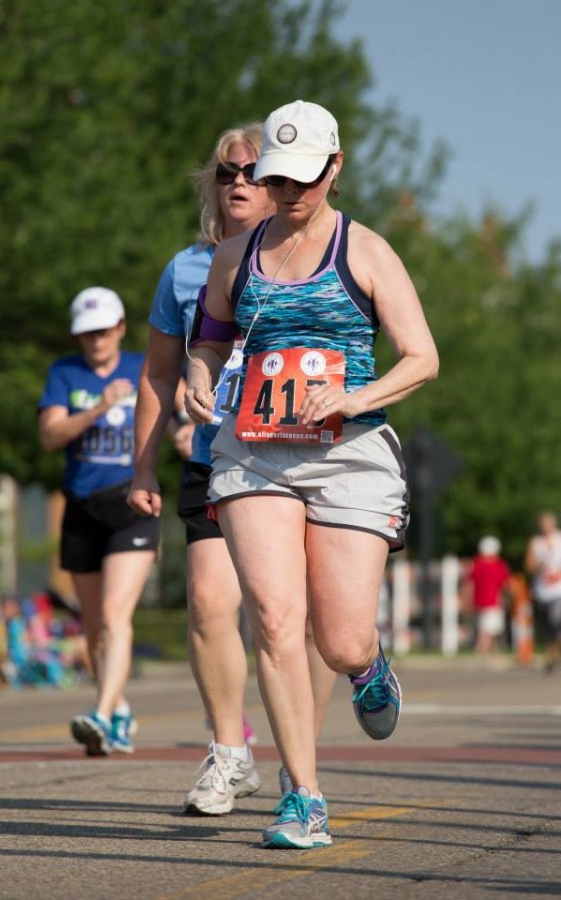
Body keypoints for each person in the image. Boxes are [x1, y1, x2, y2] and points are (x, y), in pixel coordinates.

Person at [184, 99, 439, 849]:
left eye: (304, 177)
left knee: (340, 639)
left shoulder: (366, 252)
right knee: (272, 619)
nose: (289, 191)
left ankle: (369, 664)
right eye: (276, 177)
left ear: (335, 167)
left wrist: (356, 395)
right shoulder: (236, 256)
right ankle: (303, 797)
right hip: (256, 449)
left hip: (348, 453)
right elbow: (208, 342)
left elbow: (422, 356)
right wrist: (198, 378)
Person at [127, 122, 337, 815]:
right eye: (227, 173)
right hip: (218, 455)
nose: (241, 182)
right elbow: (157, 375)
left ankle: (299, 762)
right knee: (211, 602)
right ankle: (230, 752)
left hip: (306, 456)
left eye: (255, 170)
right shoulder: (185, 271)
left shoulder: (319, 255)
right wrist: (141, 470)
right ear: (212, 187)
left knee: (302, 625)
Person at [38, 287, 160, 755]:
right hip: (82, 505)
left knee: (114, 616)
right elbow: (50, 435)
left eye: (104, 329)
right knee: (93, 629)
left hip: (132, 505)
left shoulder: (142, 367)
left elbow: (173, 416)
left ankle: (103, 716)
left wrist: (188, 430)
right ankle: (119, 707)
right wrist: (98, 407)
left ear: (120, 328)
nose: (96, 339)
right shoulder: (64, 372)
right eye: (87, 332)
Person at [525, 511, 561, 673]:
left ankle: (550, 654)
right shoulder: (536, 542)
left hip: (559, 590)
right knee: (548, 625)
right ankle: (553, 652)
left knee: (556, 621)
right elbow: (530, 566)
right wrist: (542, 563)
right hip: (543, 590)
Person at [465, 536, 511, 656]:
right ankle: (481, 650)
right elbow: (506, 584)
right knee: (489, 630)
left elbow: (469, 583)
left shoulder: (475, 564)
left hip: (479, 601)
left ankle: (491, 650)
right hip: (494, 601)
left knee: (486, 627)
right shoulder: (499, 565)